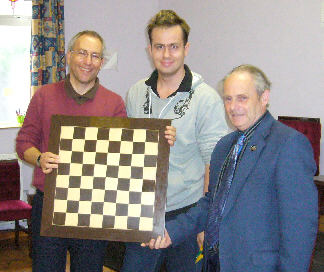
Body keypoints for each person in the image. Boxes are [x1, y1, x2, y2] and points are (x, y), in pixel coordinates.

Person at [147, 64, 319, 271]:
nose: (233, 106)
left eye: (242, 98)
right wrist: (172, 231)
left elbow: (299, 229)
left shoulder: (288, 144)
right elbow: (213, 203)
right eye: (228, 98)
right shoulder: (224, 146)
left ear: (264, 97)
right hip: (215, 263)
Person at [121, 10, 228, 272]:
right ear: (149, 49)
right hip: (143, 212)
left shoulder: (206, 98)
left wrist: (205, 222)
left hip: (187, 215)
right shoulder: (135, 93)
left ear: (186, 49)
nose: (166, 55)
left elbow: (213, 165)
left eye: (173, 47)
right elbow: (129, 152)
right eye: (159, 47)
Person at [16, 30, 127, 272]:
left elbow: (122, 154)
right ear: (68, 56)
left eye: (95, 56)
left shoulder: (114, 103)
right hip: (49, 205)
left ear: (102, 63)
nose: (88, 61)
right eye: (82, 53)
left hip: (93, 207)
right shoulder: (44, 96)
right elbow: (23, 142)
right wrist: (39, 157)